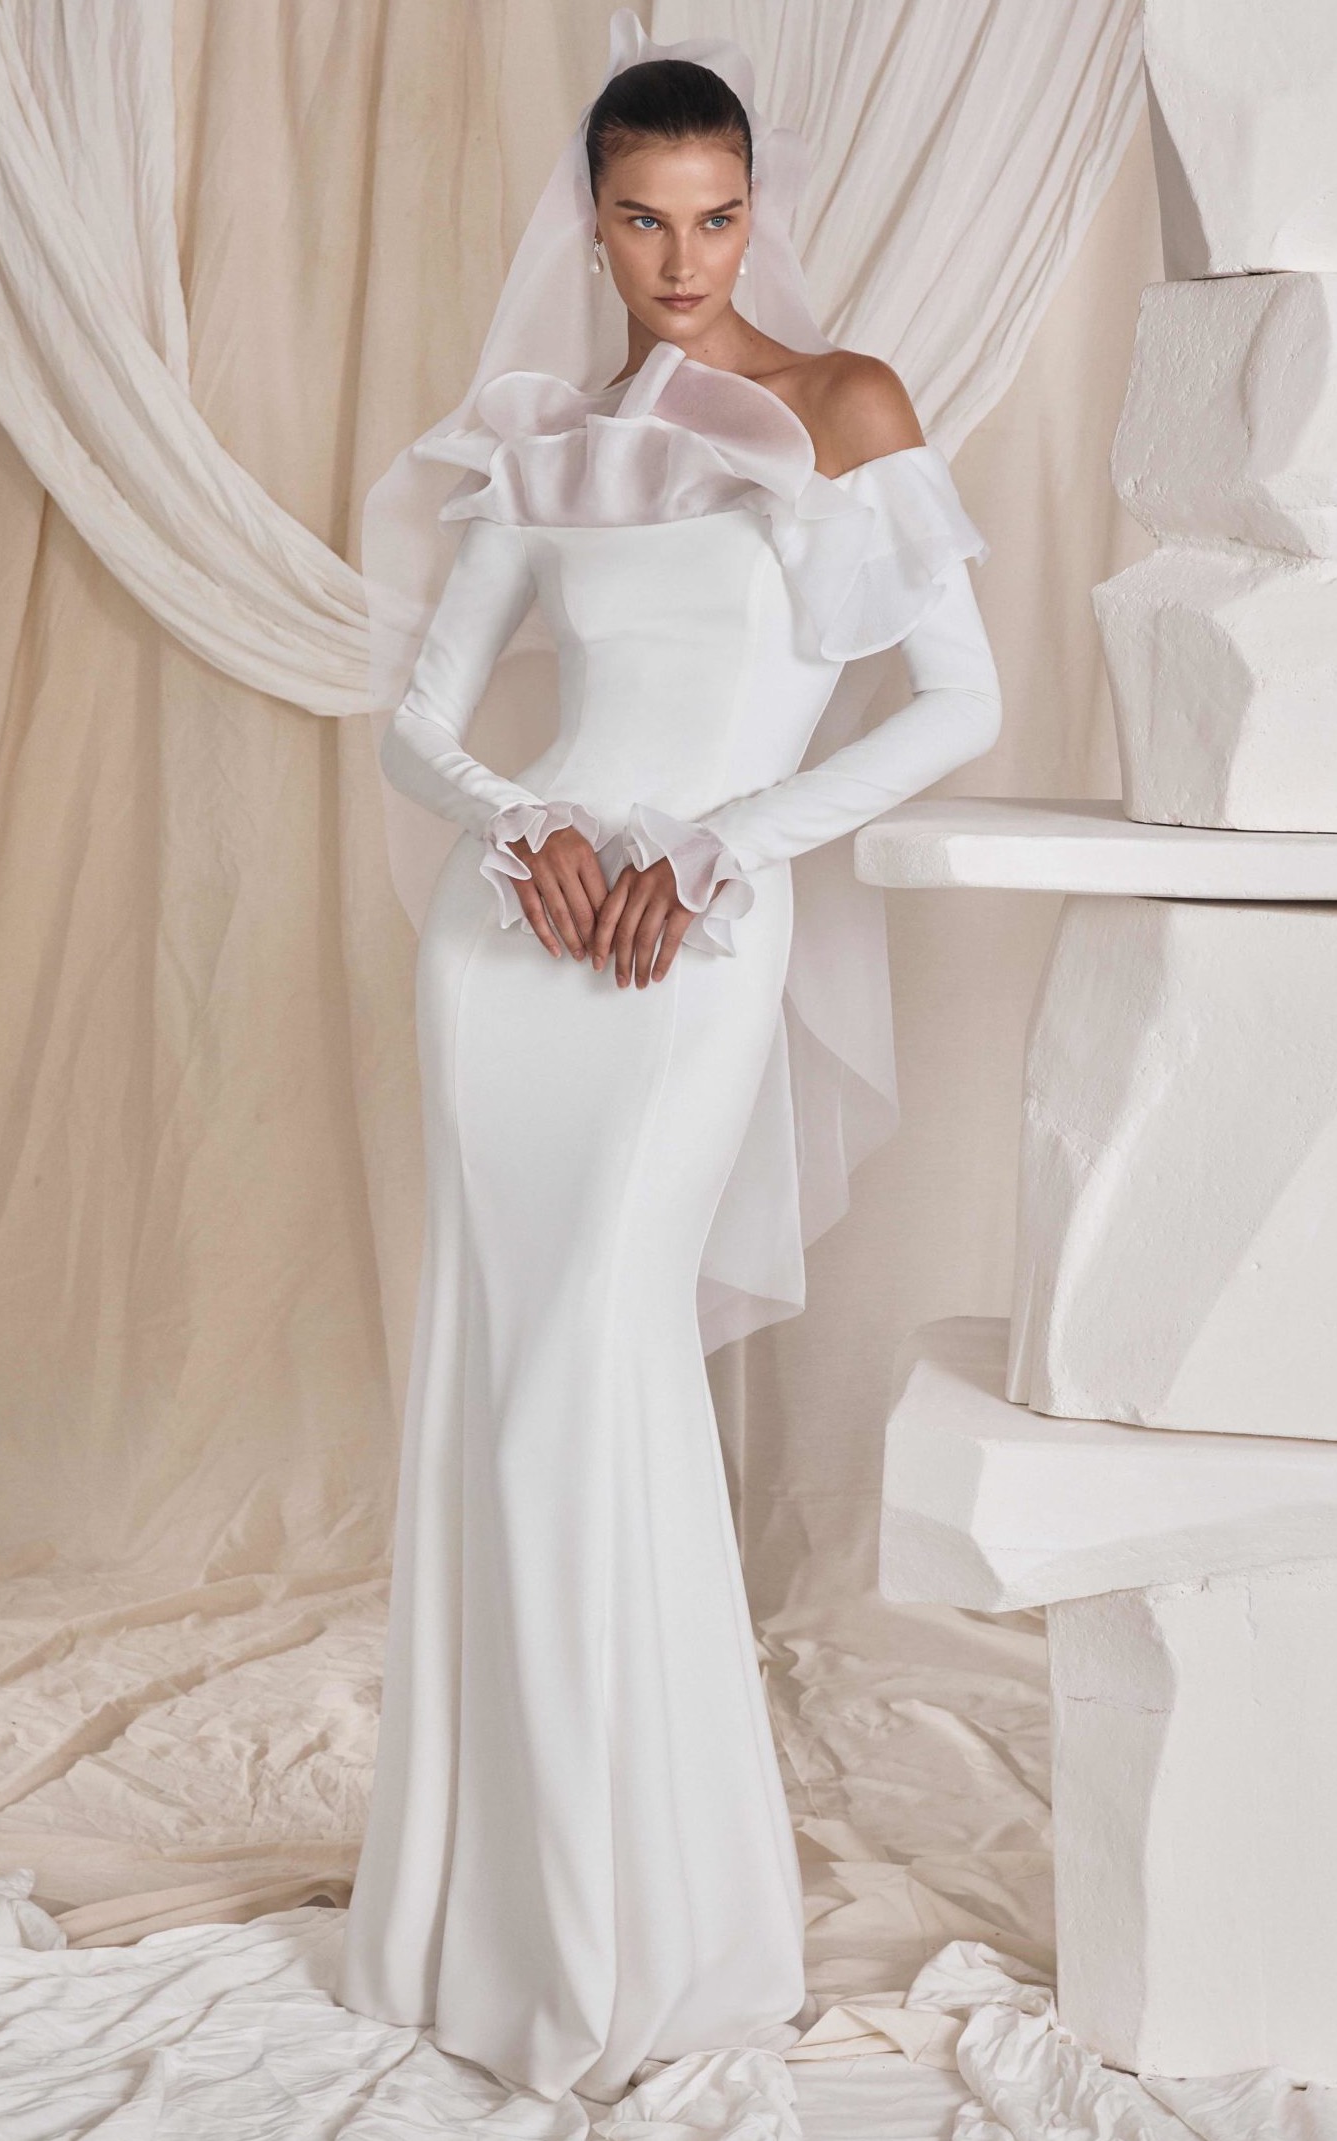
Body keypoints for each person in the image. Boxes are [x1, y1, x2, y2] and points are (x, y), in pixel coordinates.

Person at [335, 9, 1002, 2113]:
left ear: (753, 211)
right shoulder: (546, 445)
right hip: (512, 956)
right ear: (594, 225)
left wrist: (721, 846)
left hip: (690, 944)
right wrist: (524, 828)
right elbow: (421, 725)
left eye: (715, 218)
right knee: (496, 1382)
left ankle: (645, 1917)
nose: (684, 260)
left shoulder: (844, 405)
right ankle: (486, 1914)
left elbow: (956, 702)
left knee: (590, 1376)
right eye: (645, 222)